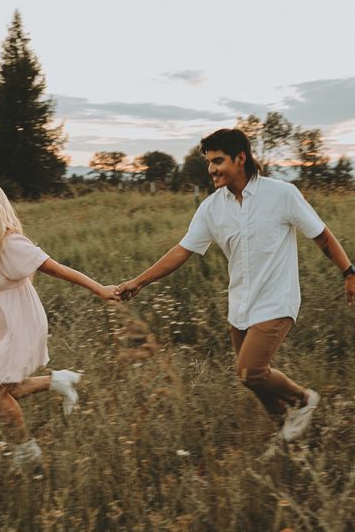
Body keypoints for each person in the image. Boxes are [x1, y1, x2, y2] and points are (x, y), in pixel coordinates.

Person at [117, 128, 355, 441]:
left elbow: (321, 235)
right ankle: (288, 433)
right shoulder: (212, 208)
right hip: (241, 303)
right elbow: (182, 251)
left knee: (251, 371)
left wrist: (349, 272)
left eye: (218, 161)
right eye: (208, 162)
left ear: (240, 158)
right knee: (250, 378)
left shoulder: (281, 194)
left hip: (276, 300)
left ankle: (303, 400)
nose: (211, 169)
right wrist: (140, 281)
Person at [0, 181, 119, 467]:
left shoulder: (11, 243)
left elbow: (58, 269)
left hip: (22, 322)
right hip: (5, 326)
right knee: (11, 388)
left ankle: (27, 454)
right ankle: (59, 380)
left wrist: (100, 289)